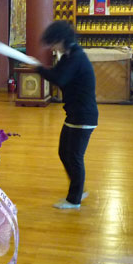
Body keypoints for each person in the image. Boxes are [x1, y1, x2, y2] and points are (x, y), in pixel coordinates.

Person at [29, 21, 98, 210]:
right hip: (75, 114)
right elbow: (56, 73)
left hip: (83, 115)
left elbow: (59, 79)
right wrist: (39, 67)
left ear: (62, 39)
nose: (52, 47)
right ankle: (78, 189)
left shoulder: (76, 57)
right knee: (64, 153)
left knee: (74, 157)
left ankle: (74, 199)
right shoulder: (69, 56)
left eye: (53, 42)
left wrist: (38, 67)